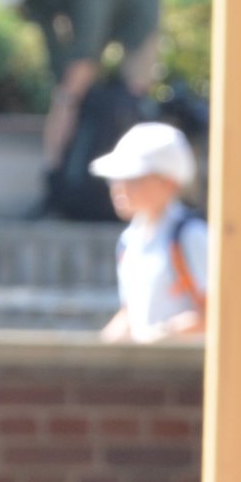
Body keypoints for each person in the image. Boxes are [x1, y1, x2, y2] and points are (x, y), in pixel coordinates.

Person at [0, 0, 164, 219]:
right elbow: (58, 54)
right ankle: (61, 190)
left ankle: (136, 200)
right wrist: (64, 97)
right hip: (95, 8)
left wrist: (70, 95)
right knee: (68, 94)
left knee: (131, 94)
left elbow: (88, 41)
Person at [90, 122, 206, 343]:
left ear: (169, 182)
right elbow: (129, 314)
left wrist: (163, 334)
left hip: (184, 364)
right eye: (116, 178)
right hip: (149, 364)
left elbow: (215, 314)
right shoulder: (129, 240)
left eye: (133, 178)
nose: (119, 188)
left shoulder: (190, 235)